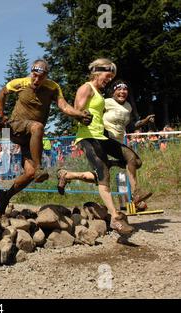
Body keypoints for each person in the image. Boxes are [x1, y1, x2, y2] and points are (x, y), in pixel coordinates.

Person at [0, 59, 93, 216]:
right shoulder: (20, 83)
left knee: (29, 173)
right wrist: (1, 116)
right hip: (16, 126)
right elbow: (2, 93)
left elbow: (64, 106)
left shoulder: (53, 87)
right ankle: (40, 167)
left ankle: (6, 196)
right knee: (38, 127)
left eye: (41, 77)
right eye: (34, 76)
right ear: (31, 72)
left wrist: (80, 114)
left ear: (46, 76)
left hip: (31, 138)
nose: (36, 80)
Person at [55, 58, 137, 234]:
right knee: (103, 175)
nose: (109, 80)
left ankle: (67, 174)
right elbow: (77, 108)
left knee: (132, 159)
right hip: (87, 136)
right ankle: (116, 218)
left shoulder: (100, 93)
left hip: (101, 136)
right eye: (108, 76)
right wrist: (81, 116)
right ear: (98, 72)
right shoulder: (87, 88)